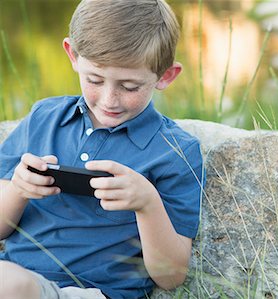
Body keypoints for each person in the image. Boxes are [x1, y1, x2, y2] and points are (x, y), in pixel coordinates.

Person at [0, 0, 204, 298]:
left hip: (91, 292)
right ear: (72, 55)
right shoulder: (43, 119)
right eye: (94, 80)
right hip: (16, 275)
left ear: (165, 76)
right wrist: (18, 189)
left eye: (130, 87)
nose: (110, 100)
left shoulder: (174, 150)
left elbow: (171, 276)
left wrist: (147, 203)